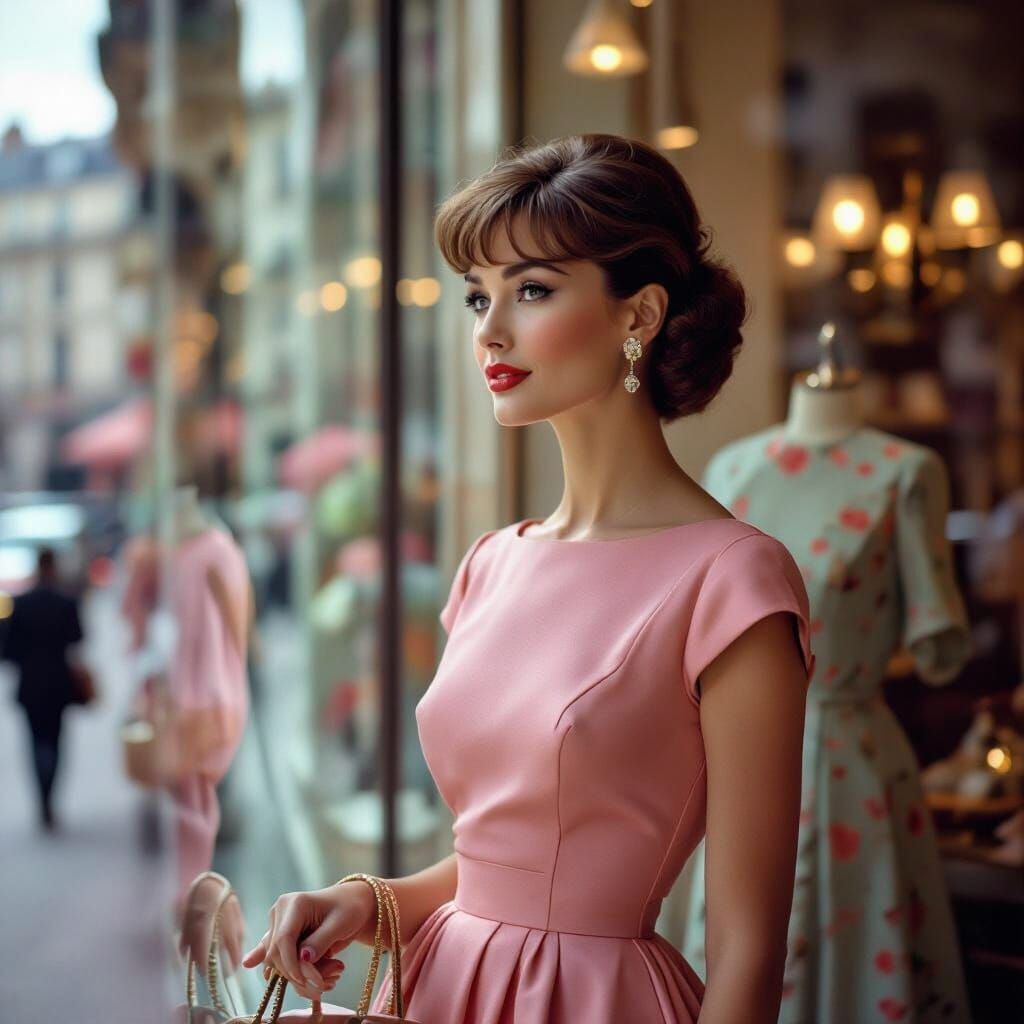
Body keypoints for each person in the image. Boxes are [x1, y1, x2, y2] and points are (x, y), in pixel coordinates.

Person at [242, 133, 816, 1023]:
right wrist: (372, 901)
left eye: (533, 290)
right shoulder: (490, 564)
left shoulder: (733, 583)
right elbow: (507, 864)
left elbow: (748, 948)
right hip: (437, 987)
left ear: (640, 314)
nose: (490, 330)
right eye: (479, 296)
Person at [1, 546, 85, 830]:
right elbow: (78, 637)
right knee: (56, 742)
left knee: (36, 742)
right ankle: (50, 797)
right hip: (58, 683)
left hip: (30, 684)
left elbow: (7, 650)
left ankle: (43, 798)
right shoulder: (66, 602)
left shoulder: (20, 604)